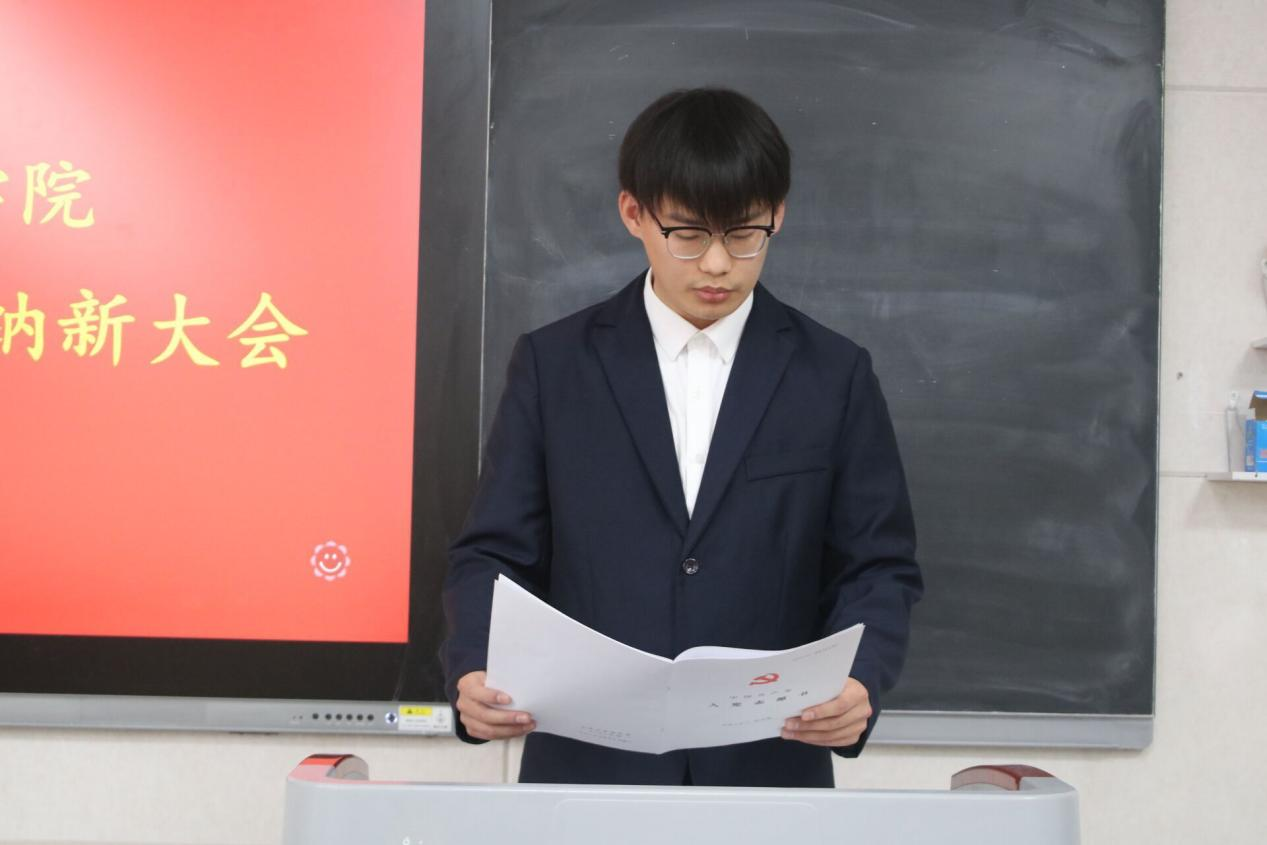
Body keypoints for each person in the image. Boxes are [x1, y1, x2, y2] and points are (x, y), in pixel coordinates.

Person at [440, 87, 923, 788]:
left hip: (769, 767)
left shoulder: (833, 374)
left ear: (778, 215)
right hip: (588, 772)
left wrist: (860, 679)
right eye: (689, 234)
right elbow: (494, 552)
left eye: (745, 233)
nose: (718, 264)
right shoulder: (556, 364)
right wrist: (477, 666)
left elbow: (877, 564)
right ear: (633, 213)